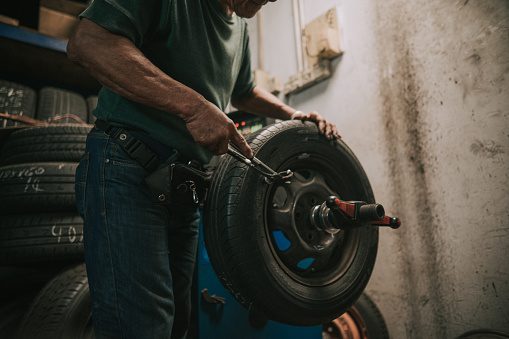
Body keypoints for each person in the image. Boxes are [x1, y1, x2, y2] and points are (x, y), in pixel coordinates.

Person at [67, 0, 340, 338]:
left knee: (178, 324)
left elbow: (242, 92)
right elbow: (89, 42)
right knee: (141, 326)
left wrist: (290, 114)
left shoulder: (239, 25)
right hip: (128, 167)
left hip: (186, 185)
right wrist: (195, 108)